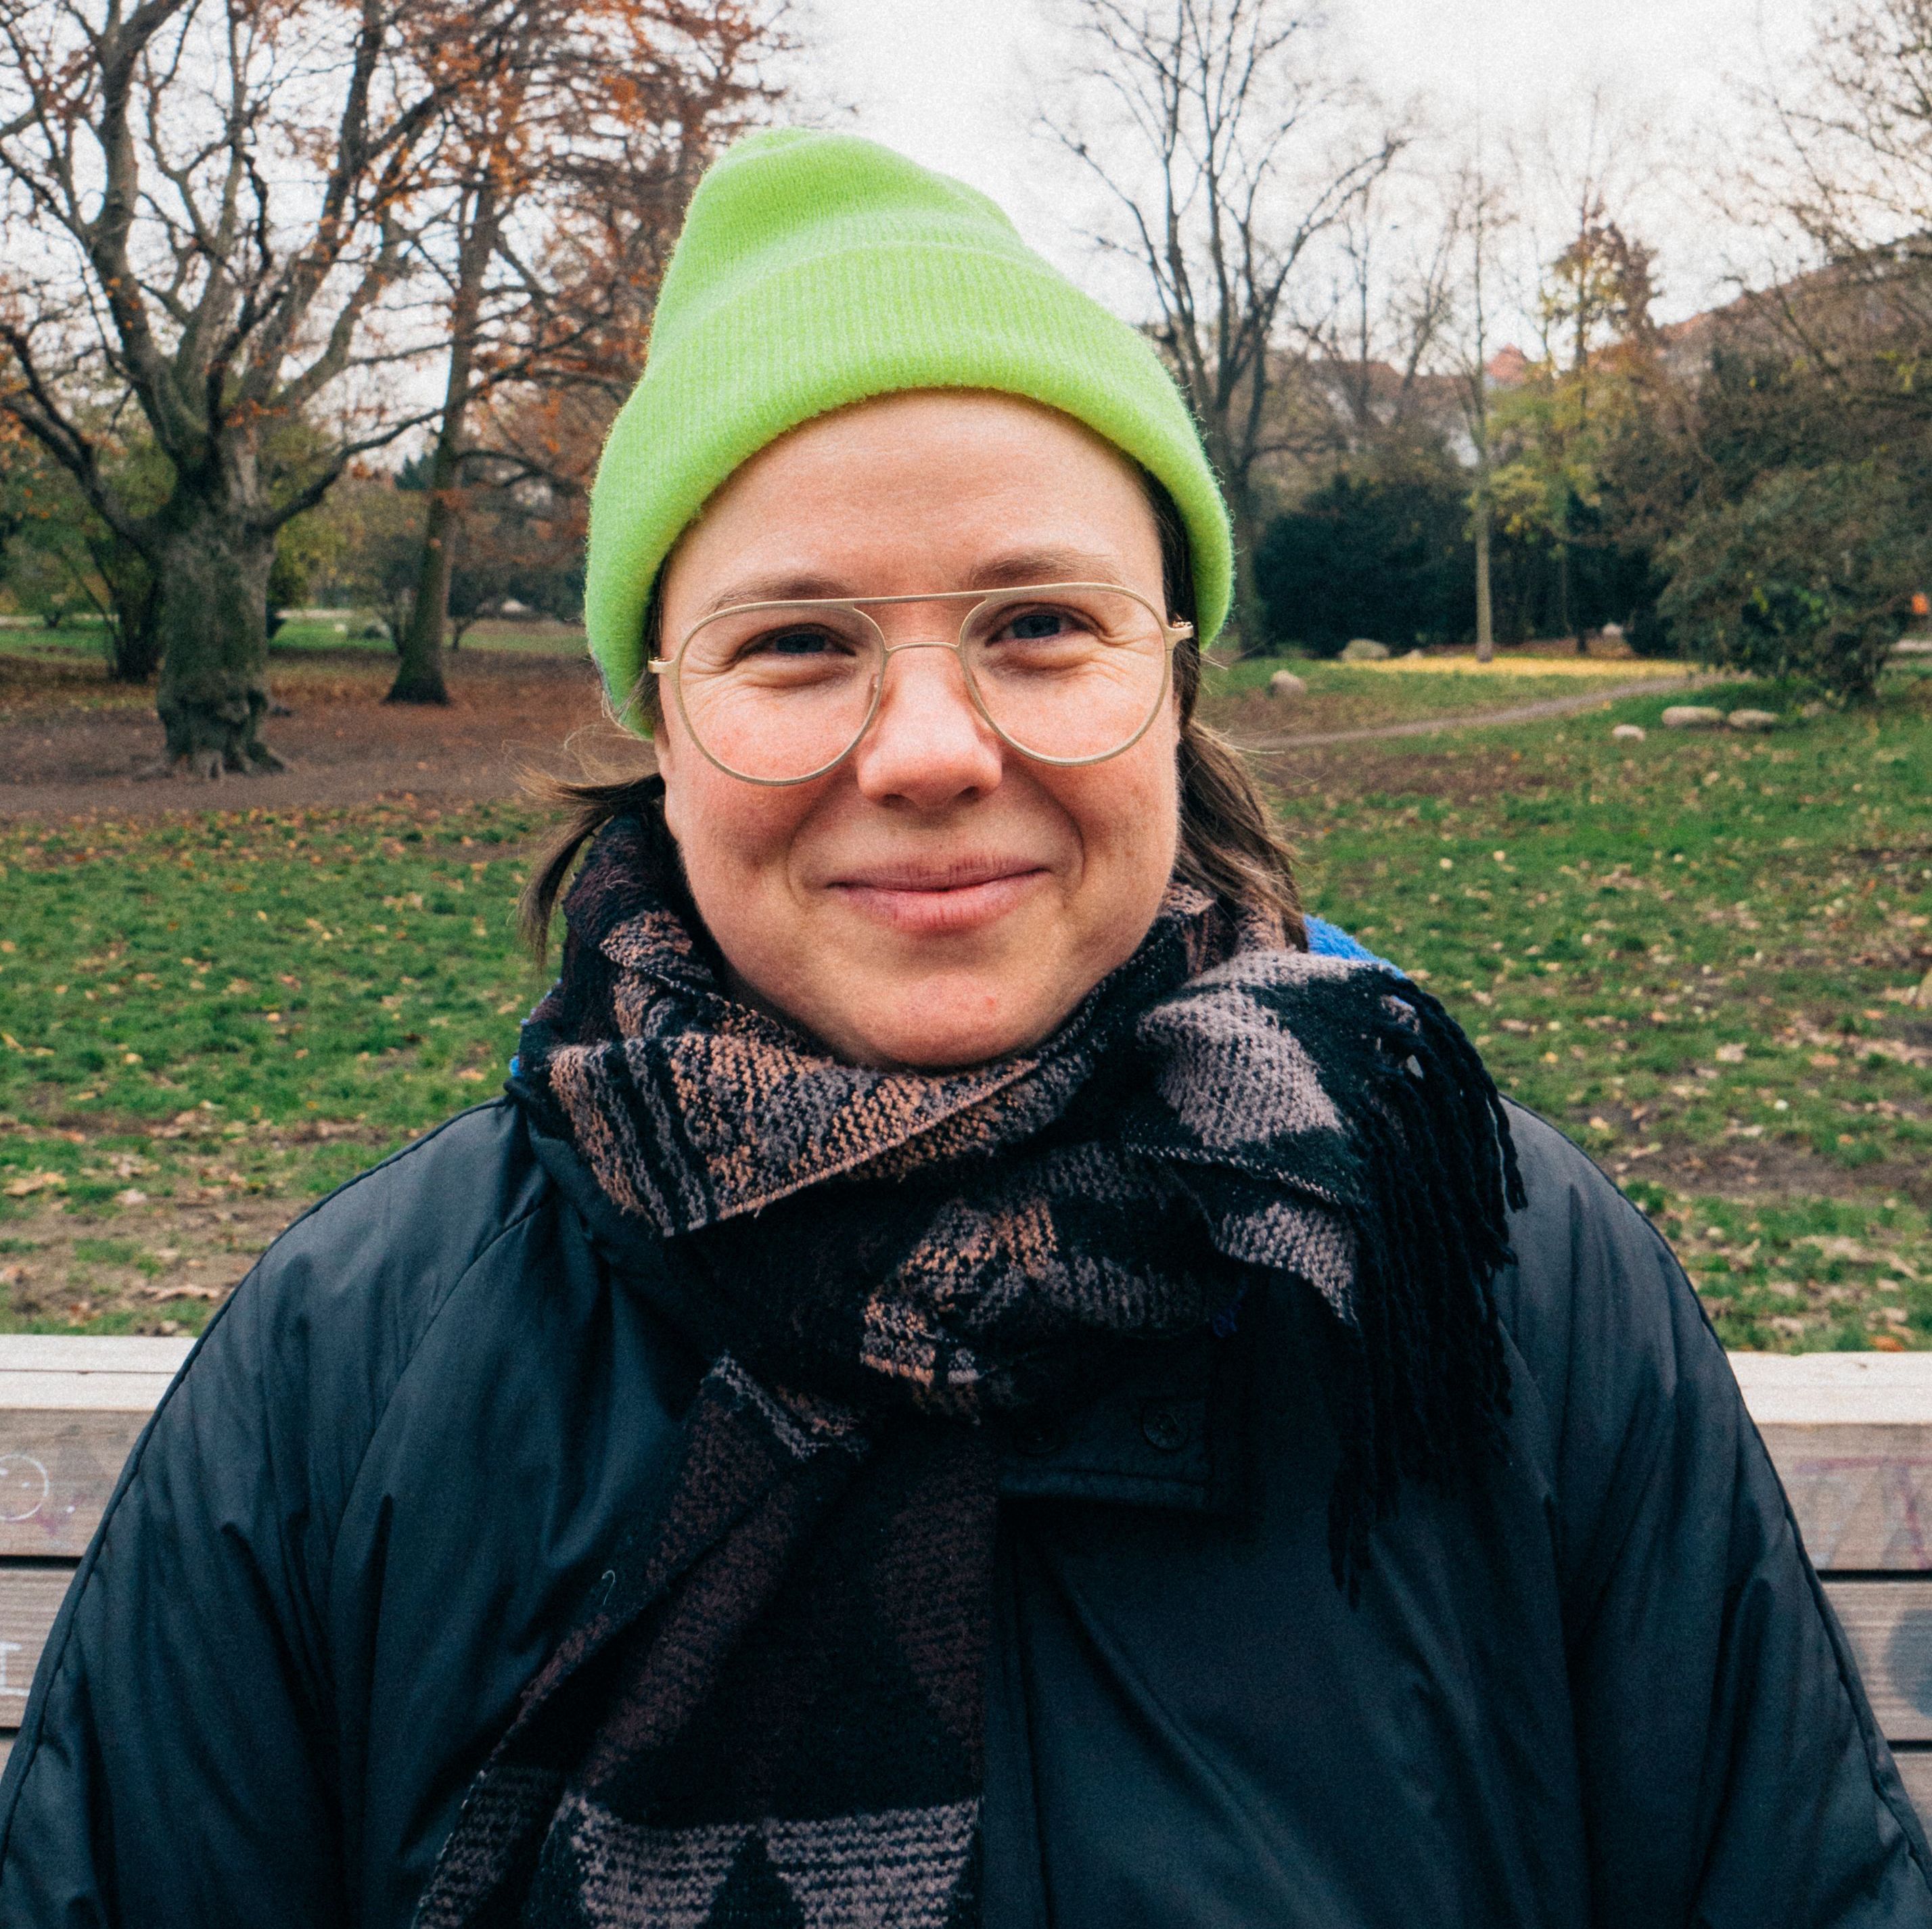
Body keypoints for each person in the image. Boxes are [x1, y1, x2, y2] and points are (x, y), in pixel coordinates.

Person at [0, 129, 1925, 1929]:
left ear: (1174, 683)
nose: (930, 751)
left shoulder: (1487, 1276)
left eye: (1038, 626)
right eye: (796, 642)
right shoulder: (355, 1368)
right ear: (661, 722)